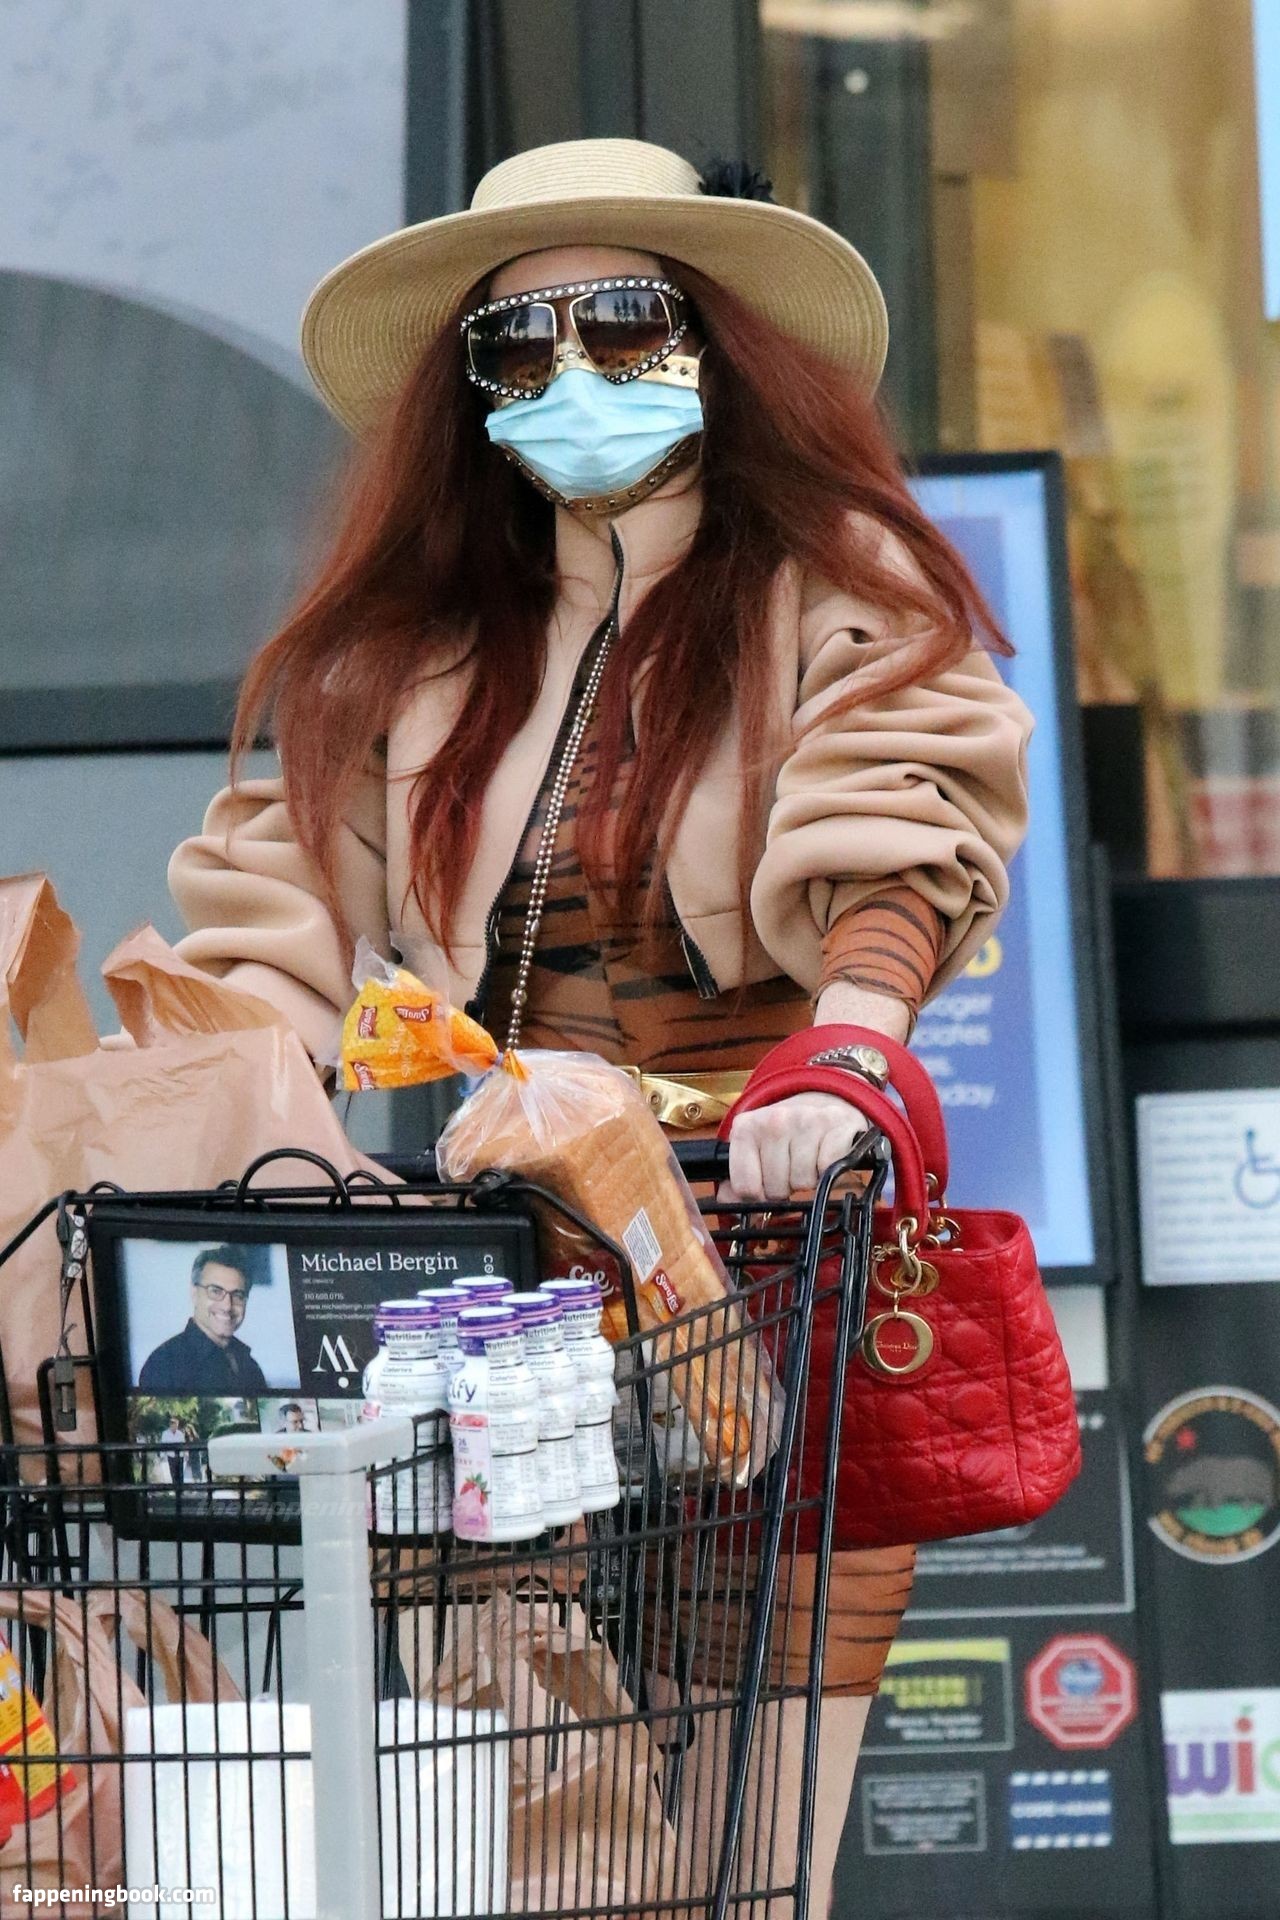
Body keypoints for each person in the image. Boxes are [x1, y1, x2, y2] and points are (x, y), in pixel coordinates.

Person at [168, 140, 1032, 1911]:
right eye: (516, 344)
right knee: (538, 1852)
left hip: (764, 1261)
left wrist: (849, 1048)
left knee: (752, 1862)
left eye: (625, 323)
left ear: (720, 345)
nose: (572, 373)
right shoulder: (412, 651)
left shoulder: (832, 581)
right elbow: (271, 928)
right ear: (469, 395)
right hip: (509, 1301)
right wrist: (186, 1124)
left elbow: (905, 825)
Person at [138, 1246, 268, 1396]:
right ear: (194, 1294)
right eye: (215, 1291)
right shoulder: (164, 1364)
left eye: (237, 1295)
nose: (227, 1306)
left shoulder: (251, 1367)